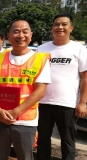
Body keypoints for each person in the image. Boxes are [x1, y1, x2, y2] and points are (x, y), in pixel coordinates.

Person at [0, 19, 51, 160]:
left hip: (25, 121)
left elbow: (40, 91)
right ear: (9, 36)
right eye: (16, 31)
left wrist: (15, 112)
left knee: (25, 157)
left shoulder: (40, 59)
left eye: (24, 31)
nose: (20, 35)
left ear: (31, 35)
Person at [37, 13, 87, 160]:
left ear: (71, 28)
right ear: (52, 28)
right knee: (43, 140)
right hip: (43, 102)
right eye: (56, 24)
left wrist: (82, 103)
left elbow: (85, 77)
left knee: (68, 142)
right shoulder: (41, 49)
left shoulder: (79, 49)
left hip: (67, 104)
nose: (60, 27)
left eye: (64, 24)